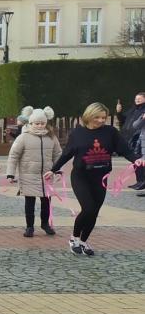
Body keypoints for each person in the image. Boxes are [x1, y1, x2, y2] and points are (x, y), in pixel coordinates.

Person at [47, 102, 143, 256]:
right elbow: (67, 154)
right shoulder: (77, 134)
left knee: (94, 212)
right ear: (89, 116)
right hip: (81, 176)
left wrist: (135, 159)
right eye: (97, 117)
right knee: (88, 208)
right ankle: (74, 238)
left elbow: (124, 149)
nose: (101, 120)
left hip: (101, 177)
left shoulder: (110, 132)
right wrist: (53, 170)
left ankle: (83, 241)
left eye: (103, 117)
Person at [6, 107, 61, 237]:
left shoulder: (51, 137)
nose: (40, 126)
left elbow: (58, 154)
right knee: (29, 202)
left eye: (42, 123)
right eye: (37, 123)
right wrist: (10, 173)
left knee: (46, 202)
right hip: (28, 175)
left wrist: (58, 170)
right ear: (30, 123)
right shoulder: (23, 137)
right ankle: (29, 227)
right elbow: (13, 155)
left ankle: (45, 224)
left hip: (46, 176)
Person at [115, 93, 145, 189]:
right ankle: (140, 181)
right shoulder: (133, 110)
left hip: (139, 138)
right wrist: (119, 112)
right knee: (136, 160)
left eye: (139, 99)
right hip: (130, 138)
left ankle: (142, 181)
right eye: (136, 99)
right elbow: (122, 119)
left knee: (139, 159)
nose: (137, 100)